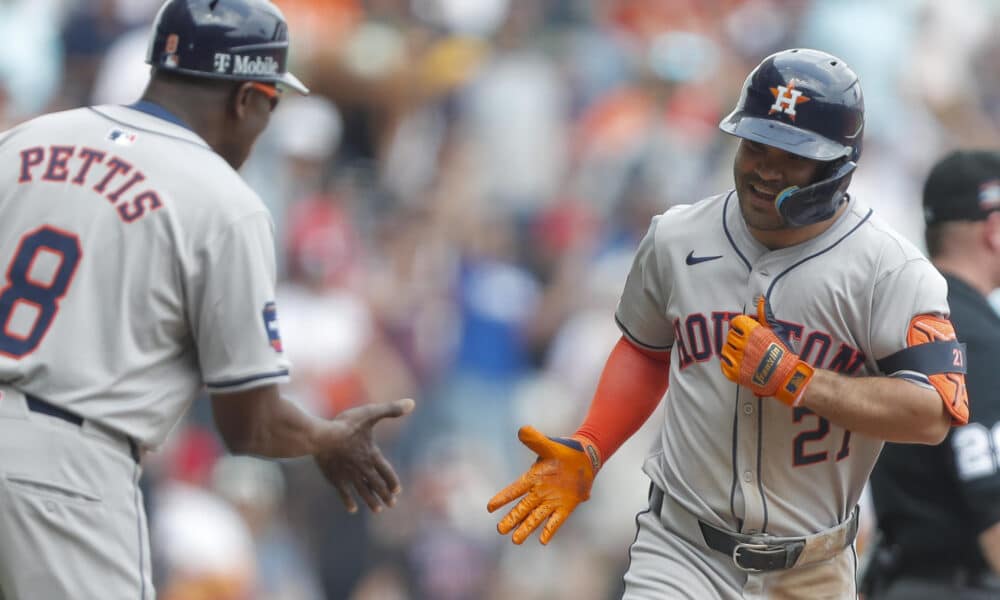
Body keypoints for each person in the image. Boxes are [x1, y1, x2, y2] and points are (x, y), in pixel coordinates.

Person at [487, 48, 970, 599]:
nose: (766, 168)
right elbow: (646, 350)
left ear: (838, 166)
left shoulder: (891, 270)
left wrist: (800, 380)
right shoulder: (676, 238)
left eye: (792, 155)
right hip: (681, 549)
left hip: (812, 567)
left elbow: (931, 413)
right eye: (756, 145)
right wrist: (593, 442)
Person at [0, 1, 414, 598]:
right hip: (65, 472)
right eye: (270, 103)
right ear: (246, 99)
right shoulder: (225, 202)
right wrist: (325, 437)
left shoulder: (26, 140)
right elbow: (249, 424)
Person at [866, 150, 1000, 599]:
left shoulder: (902, 318)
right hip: (958, 586)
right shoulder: (974, 337)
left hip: (899, 576)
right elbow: (994, 511)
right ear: (994, 230)